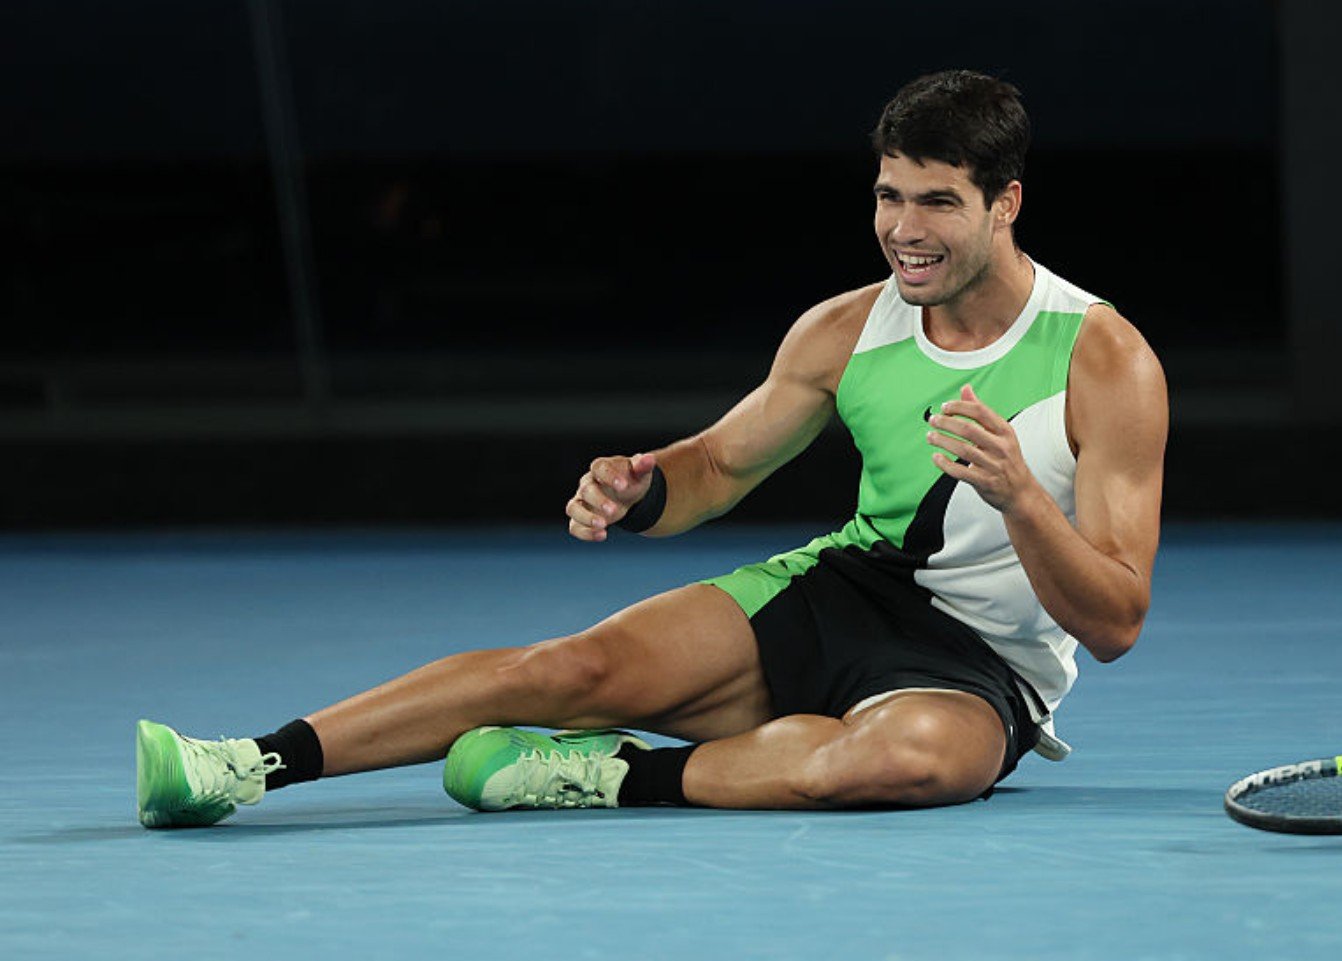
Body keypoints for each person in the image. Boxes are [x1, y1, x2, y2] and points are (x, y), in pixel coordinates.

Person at [135, 69, 1167, 827]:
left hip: (982, 665)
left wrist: (1025, 498)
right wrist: (640, 488)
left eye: (937, 200)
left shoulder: (1102, 358)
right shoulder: (846, 327)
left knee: (906, 762)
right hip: (842, 593)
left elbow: (1116, 618)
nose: (904, 228)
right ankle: (244, 764)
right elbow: (717, 465)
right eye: (888, 196)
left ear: (1005, 202)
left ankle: (607, 772)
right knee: (570, 663)